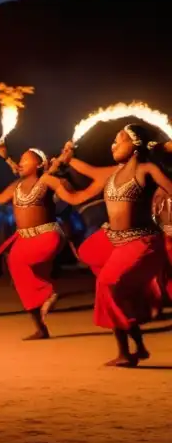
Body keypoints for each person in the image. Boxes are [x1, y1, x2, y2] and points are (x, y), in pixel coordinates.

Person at [52, 126, 172, 366]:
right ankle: (137, 347)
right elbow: (85, 179)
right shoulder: (111, 174)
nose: (113, 145)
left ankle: (125, 353)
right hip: (115, 242)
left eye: (120, 140)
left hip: (143, 243)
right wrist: (67, 161)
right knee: (108, 278)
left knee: (107, 284)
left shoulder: (146, 169)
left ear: (136, 144)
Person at [0, 145, 67, 339]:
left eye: (26, 159)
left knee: (17, 262)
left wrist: (62, 160)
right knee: (23, 283)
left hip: (46, 236)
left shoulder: (46, 181)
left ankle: (48, 293)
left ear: (40, 164)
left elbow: (60, 182)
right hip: (24, 238)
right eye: (20, 160)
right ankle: (40, 327)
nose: (21, 163)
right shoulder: (16, 186)